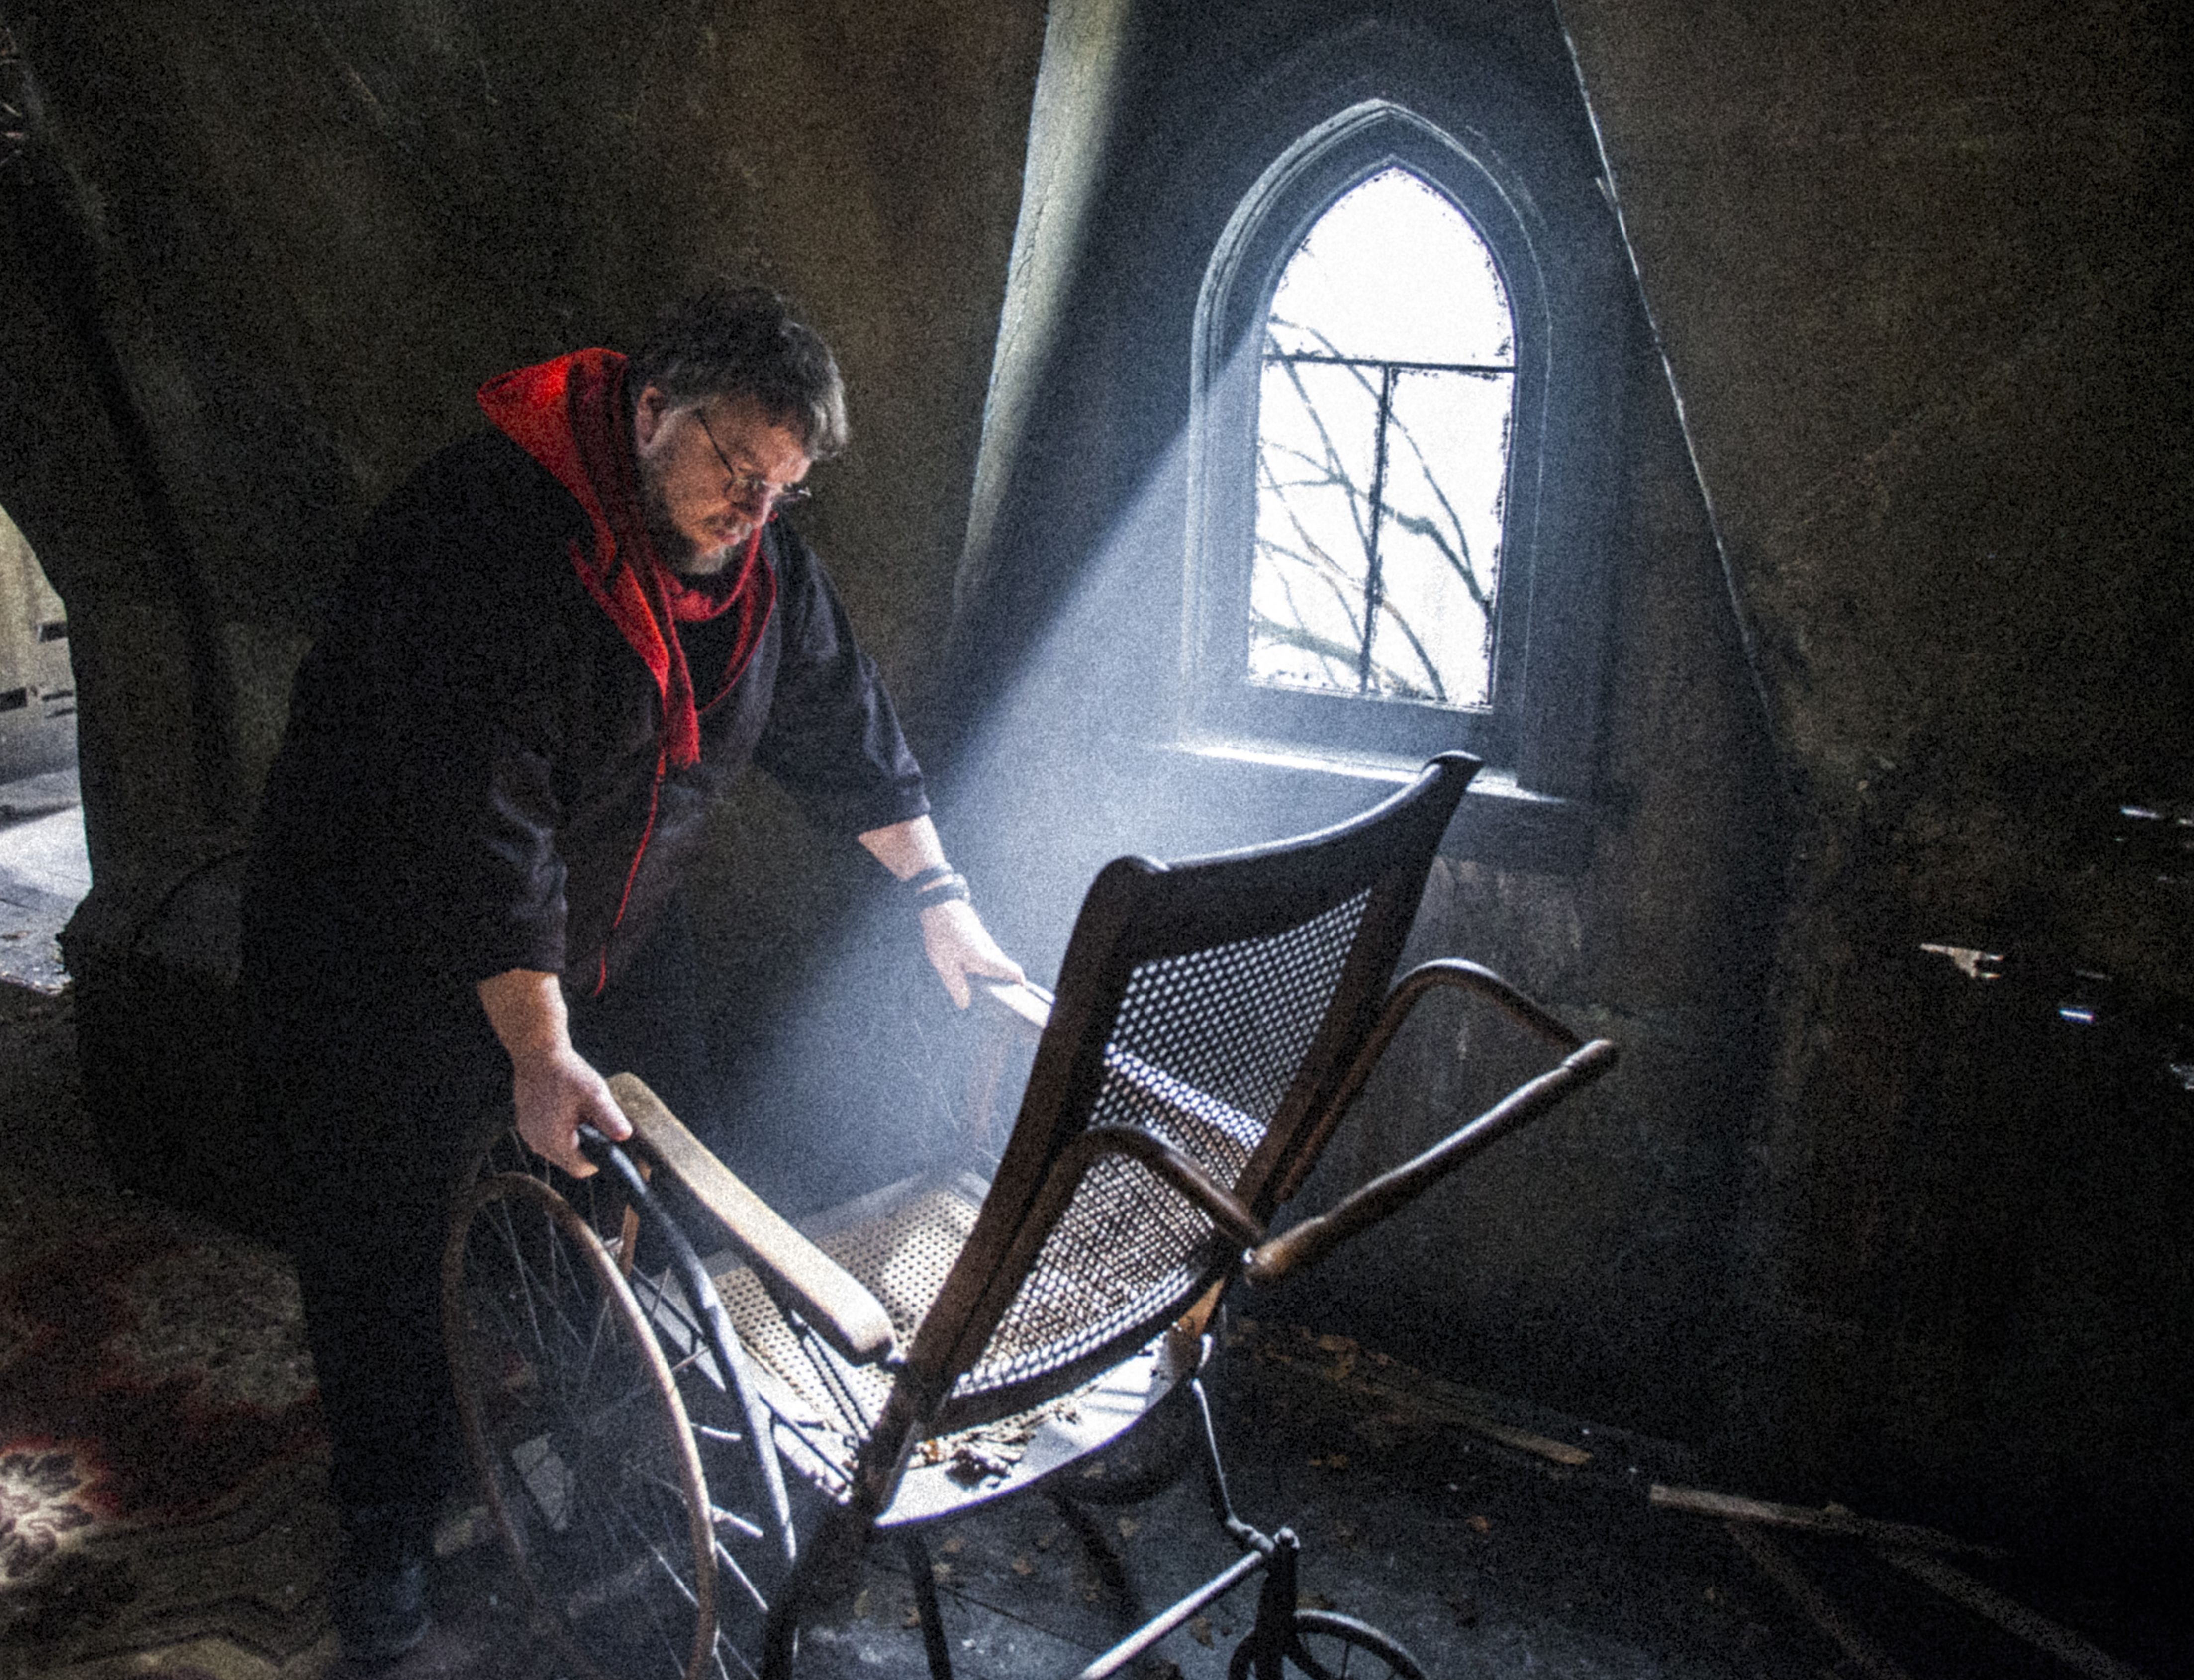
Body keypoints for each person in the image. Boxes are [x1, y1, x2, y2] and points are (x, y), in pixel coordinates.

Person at [241, 285, 1021, 1662]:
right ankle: (385, 1520)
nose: (754, 506)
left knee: (665, 1179)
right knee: (387, 1233)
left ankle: (631, 1460)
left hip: (604, 923)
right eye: (736, 467)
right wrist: (540, 1051)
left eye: (783, 484)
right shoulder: (482, 539)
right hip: (382, 933)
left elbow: (843, 719)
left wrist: (939, 896)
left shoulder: (754, 560)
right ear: (654, 411)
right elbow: (485, 825)